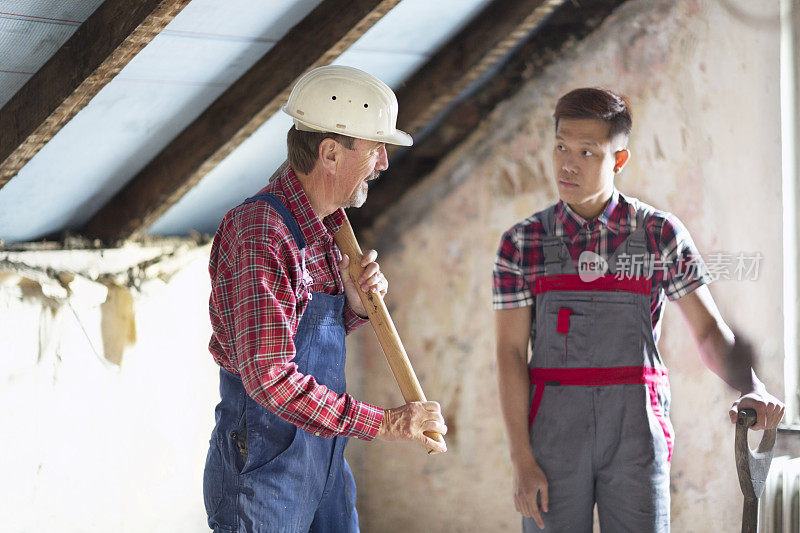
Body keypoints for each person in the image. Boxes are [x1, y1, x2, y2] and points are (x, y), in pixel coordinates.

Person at [492, 87, 784, 532]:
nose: (567, 164)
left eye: (587, 152)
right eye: (561, 147)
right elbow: (511, 354)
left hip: (636, 435)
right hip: (552, 440)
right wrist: (521, 460)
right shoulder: (522, 243)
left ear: (619, 160)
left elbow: (708, 333)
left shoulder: (659, 235)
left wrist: (753, 387)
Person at [203, 65, 448, 532]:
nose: (383, 163)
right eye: (376, 148)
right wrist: (389, 424)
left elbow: (300, 328)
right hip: (263, 474)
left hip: (325, 462)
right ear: (330, 153)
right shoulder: (262, 234)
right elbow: (271, 378)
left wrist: (352, 307)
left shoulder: (326, 227)